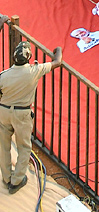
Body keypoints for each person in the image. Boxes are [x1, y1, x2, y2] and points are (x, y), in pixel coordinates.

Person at [0, 40, 64, 193]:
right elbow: (57, 62)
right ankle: (16, 181)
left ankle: (7, 177)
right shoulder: (34, 70)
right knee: (24, 146)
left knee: (3, 145)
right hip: (22, 114)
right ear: (29, 57)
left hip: (3, 111)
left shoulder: (3, 75)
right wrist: (59, 48)